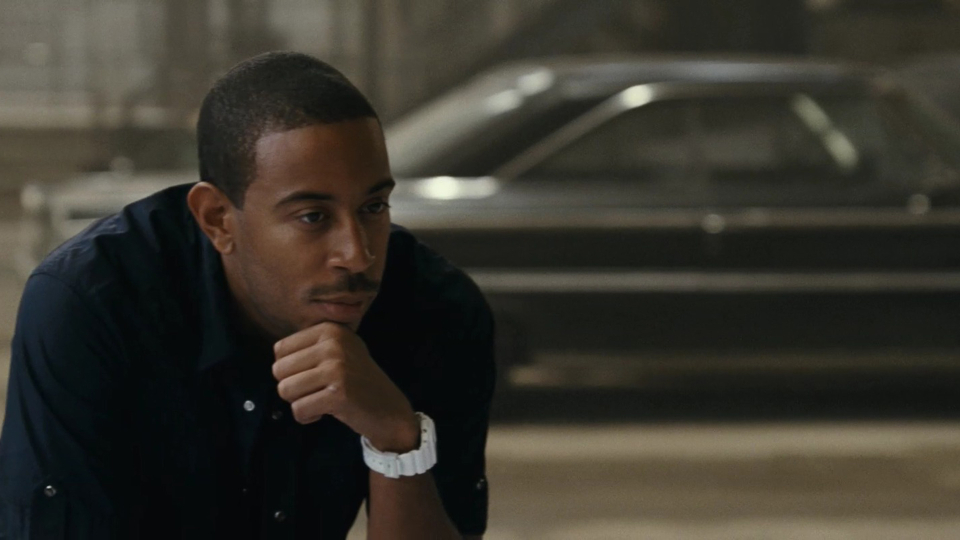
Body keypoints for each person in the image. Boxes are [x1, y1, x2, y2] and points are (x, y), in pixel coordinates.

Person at [0, 51, 495, 539]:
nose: (358, 255)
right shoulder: (93, 305)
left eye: (373, 207)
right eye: (313, 216)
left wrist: (396, 442)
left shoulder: (436, 309)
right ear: (217, 219)